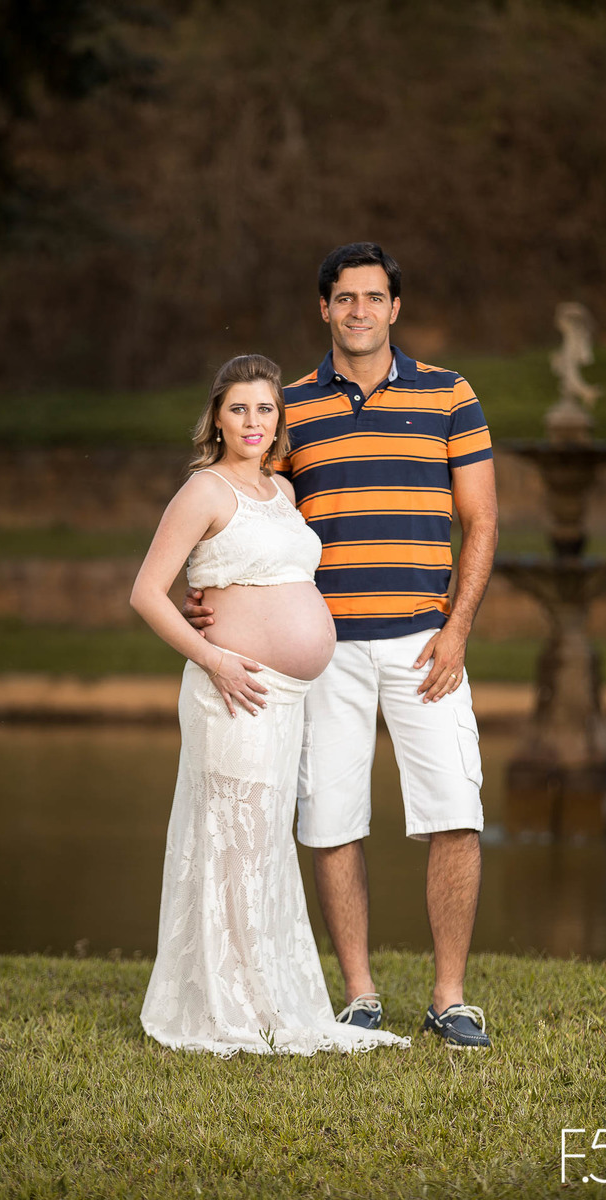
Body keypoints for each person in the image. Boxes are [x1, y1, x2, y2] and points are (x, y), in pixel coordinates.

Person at [186, 245, 498, 1050]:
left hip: (428, 647)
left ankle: (450, 999)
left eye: (374, 296)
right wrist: (211, 587)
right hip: (325, 655)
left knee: (456, 813)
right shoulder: (287, 407)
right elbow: (249, 509)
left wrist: (459, 629)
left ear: (395, 307)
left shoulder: (450, 394)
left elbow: (481, 521)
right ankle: (360, 995)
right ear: (323, 308)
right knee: (330, 821)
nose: (360, 310)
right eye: (345, 298)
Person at [130, 352, 409, 1056]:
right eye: (239, 409)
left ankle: (267, 993)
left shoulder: (282, 490)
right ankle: (228, 1003)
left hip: (285, 700)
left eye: (265, 408)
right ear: (217, 418)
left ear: (278, 418)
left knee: (263, 845)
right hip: (233, 690)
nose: (253, 421)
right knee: (232, 843)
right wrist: (215, 658)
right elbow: (146, 594)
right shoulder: (204, 490)